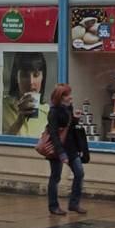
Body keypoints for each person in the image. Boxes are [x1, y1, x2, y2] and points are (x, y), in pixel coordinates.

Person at [45, 82, 86, 216]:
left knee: (79, 173)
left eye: (69, 94)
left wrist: (75, 119)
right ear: (60, 97)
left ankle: (74, 203)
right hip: (57, 149)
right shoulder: (53, 113)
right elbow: (54, 134)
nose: (70, 97)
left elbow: (68, 128)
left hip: (71, 147)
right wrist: (61, 153)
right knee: (55, 177)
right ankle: (53, 206)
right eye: (67, 95)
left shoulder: (68, 109)